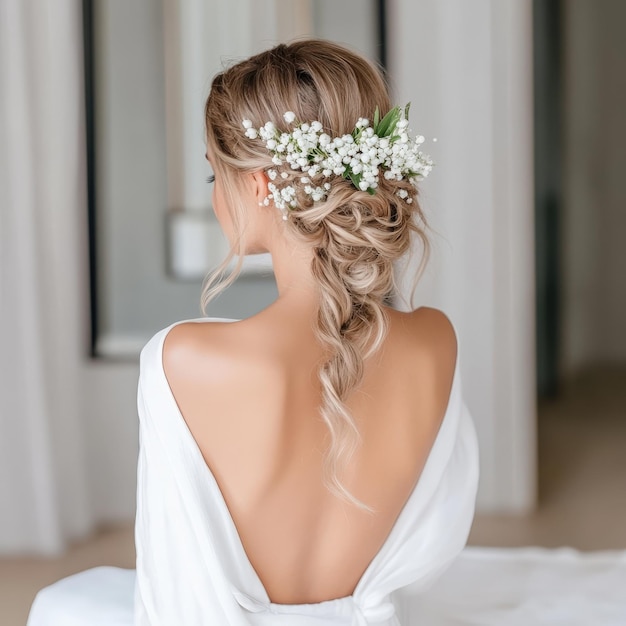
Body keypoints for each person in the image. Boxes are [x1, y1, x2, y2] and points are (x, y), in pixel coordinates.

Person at [27, 39, 479, 625]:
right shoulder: (436, 339)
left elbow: (172, 593)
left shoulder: (183, 359)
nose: (216, 197)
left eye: (215, 174)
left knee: (60, 604)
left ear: (261, 185)